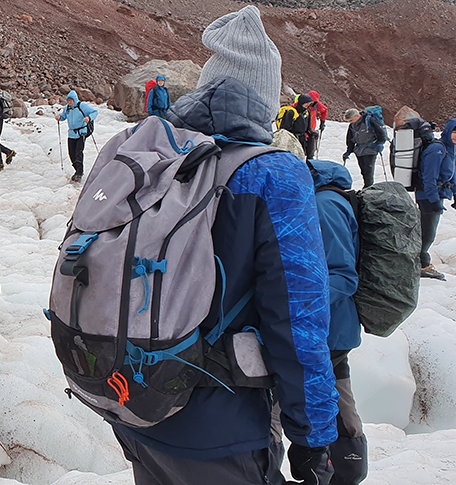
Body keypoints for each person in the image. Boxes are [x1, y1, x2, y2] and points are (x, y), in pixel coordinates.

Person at [115, 6, 338, 485]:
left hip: (135, 402)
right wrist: (313, 435)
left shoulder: (158, 155)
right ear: (263, 100)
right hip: (221, 428)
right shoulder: (273, 174)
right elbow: (297, 319)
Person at [304, 159, 368, 485]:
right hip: (326, 327)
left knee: (337, 407)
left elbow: (343, 276)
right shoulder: (322, 199)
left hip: (330, 329)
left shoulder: (324, 205)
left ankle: (346, 471)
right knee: (333, 400)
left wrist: (295, 301)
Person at [416, 118, 456, 280]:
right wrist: (433, 199)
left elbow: (452, 175)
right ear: (448, 131)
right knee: (427, 233)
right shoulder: (437, 149)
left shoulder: (452, 150)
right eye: (455, 132)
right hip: (427, 195)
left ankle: (418, 262)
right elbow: (429, 178)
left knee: (428, 230)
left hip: (436, 194)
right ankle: (422, 265)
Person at [56, 91, 99, 182]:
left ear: (75, 99)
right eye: (68, 100)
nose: (70, 102)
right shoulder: (67, 108)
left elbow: (94, 112)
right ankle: (77, 170)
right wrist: (60, 117)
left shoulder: (81, 106)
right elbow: (64, 116)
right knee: (71, 153)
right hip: (71, 134)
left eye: (71, 100)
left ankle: (79, 172)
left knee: (78, 153)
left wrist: (89, 118)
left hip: (81, 133)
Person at [342, 108, 386, 188]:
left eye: (351, 120)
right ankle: (367, 186)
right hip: (359, 150)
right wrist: (349, 151)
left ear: (357, 116)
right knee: (363, 170)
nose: (350, 122)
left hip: (371, 149)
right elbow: (350, 139)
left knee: (368, 171)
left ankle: (368, 187)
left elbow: (381, 133)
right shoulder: (352, 125)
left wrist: (379, 144)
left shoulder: (370, 121)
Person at [307, 90, 329, 159]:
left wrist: (322, 122)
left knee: (310, 152)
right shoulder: (303, 103)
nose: (312, 103)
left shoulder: (317, 105)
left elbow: (324, 110)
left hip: (311, 131)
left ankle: (309, 165)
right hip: (302, 131)